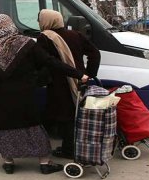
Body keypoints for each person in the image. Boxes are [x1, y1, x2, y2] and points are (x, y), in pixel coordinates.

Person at [0, 14, 88, 174]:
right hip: (23, 95)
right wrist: (78, 74)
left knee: (3, 127)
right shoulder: (26, 44)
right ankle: (44, 162)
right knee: (32, 128)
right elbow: (50, 61)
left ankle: (8, 162)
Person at [37, 9, 101, 160]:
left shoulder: (45, 38)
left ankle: (68, 149)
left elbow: (47, 61)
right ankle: (73, 146)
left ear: (46, 21)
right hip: (79, 80)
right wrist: (89, 74)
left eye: (40, 19)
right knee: (75, 112)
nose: (39, 22)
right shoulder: (75, 34)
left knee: (64, 115)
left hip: (60, 82)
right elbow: (95, 53)